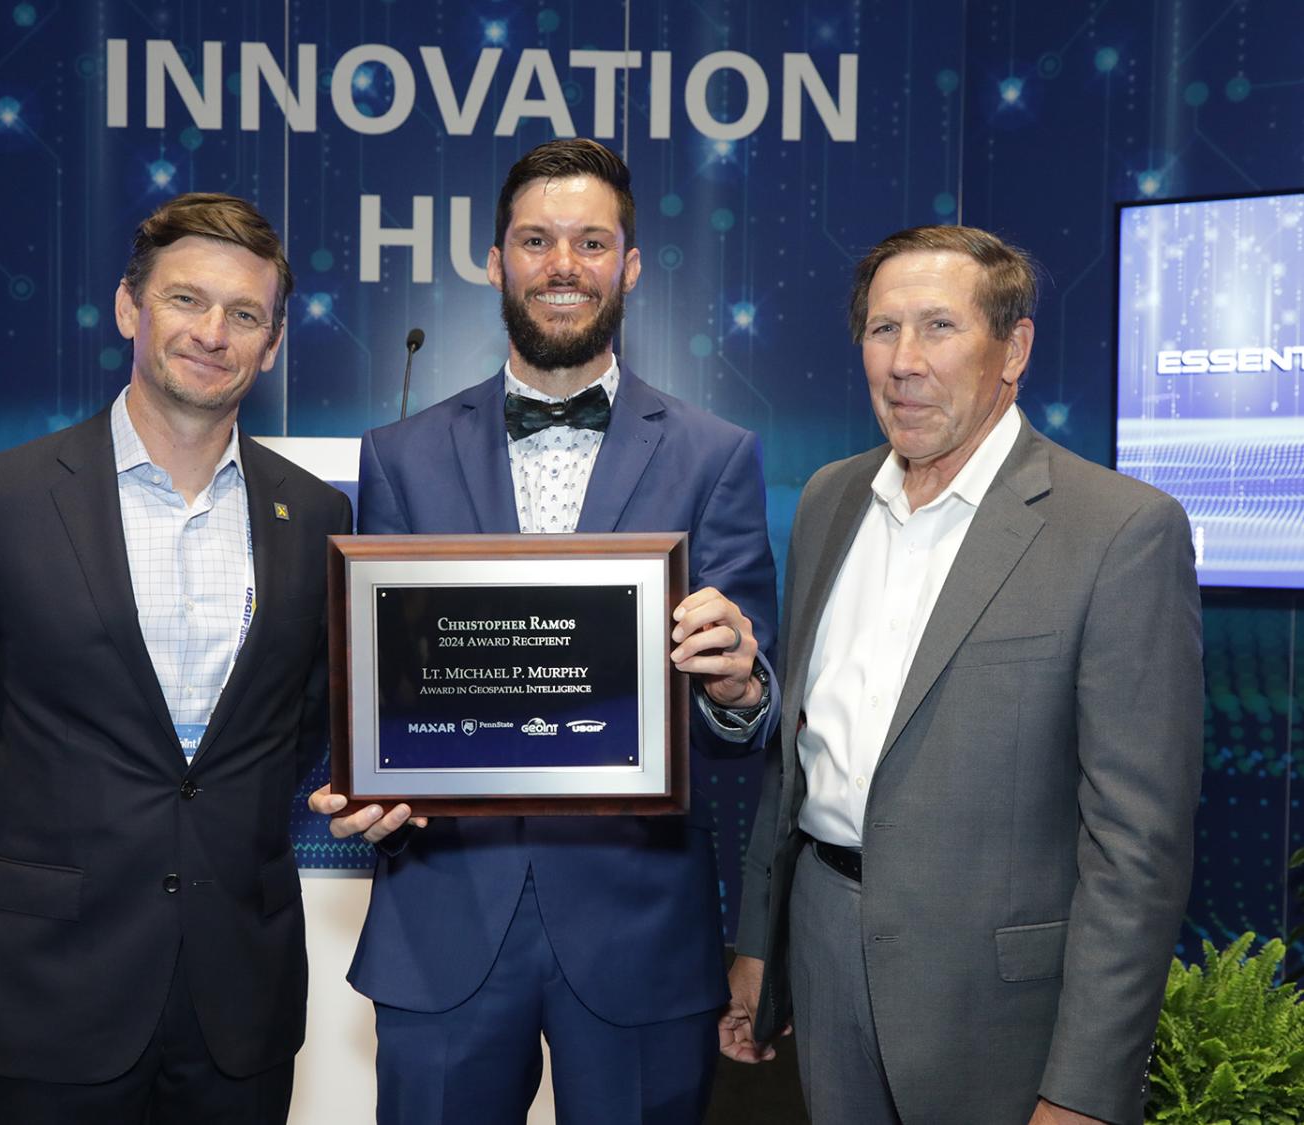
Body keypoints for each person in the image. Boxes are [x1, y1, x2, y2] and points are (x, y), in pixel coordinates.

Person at [309, 138, 779, 1124]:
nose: (564, 264)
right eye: (537, 240)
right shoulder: (396, 456)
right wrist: (370, 776)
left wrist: (738, 686)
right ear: (494, 261)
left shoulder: (716, 456)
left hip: (641, 932)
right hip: (443, 920)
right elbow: (380, 678)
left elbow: (752, 700)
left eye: (592, 242)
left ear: (630, 267)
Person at [720, 225, 1203, 1125]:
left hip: (999, 1012)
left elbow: (1137, 850)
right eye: (881, 329)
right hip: (823, 958)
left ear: (1012, 348)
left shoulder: (1120, 531)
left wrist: (1085, 1087)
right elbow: (797, 757)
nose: (904, 362)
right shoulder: (829, 498)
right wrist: (761, 938)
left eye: (940, 327)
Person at [0, 193, 351, 1123]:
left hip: (240, 993)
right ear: (130, 308)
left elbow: (300, 719)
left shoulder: (320, 520)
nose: (212, 333)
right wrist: (46, 854)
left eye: (246, 315)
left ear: (271, 345)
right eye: (187, 300)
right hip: (48, 986)